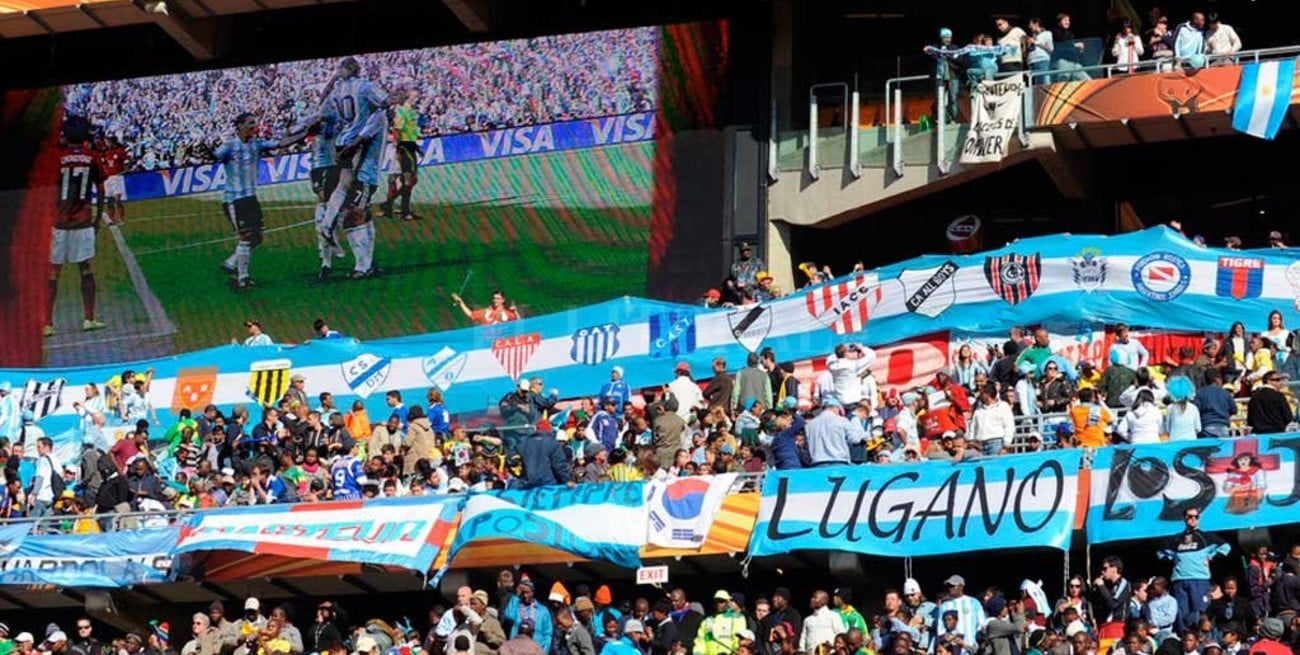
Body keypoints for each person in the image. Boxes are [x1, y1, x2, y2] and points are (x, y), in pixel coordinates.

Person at [214, 112, 299, 289]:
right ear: (239, 126)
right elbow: (215, 155)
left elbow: (280, 143)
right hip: (234, 199)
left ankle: (231, 263)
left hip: (251, 198)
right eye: (250, 124)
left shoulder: (257, 144)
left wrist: (303, 134)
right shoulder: (229, 146)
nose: (254, 127)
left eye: (255, 123)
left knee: (257, 237)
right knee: (245, 236)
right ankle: (242, 278)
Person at [46, 114, 108, 336]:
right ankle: (88, 318)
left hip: (59, 222)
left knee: (54, 271)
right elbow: (101, 189)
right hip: (82, 221)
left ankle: (47, 323)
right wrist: (98, 217)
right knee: (85, 267)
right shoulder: (91, 157)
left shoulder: (56, 158)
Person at [1159, 507, 1231, 634]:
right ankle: (1185, 638)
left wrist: (1211, 557)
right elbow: (1160, 552)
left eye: (1196, 516)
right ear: (1184, 518)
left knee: (1201, 612)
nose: (1193, 519)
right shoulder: (1175, 539)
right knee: (1181, 613)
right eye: (1189, 516)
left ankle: (1203, 638)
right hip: (1179, 580)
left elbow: (1226, 547)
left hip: (1200, 580)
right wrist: (1171, 558)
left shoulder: (1206, 537)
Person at [452, 291, 520, 325]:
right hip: (487, 344)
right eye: (494, 298)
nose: (495, 301)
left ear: (503, 300)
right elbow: (471, 314)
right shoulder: (485, 312)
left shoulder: (507, 313)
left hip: (502, 344)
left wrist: (515, 312)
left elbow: (519, 324)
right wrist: (461, 303)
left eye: (498, 299)